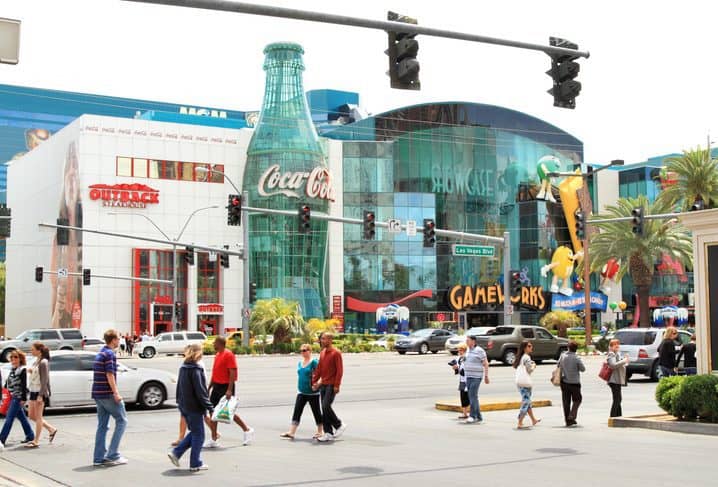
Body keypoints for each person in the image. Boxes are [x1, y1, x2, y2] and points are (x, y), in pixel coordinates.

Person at [168, 344, 214, 472]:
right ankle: (195, 463)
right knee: (199, 435)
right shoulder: (196, 370)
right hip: (194, 407)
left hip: (184, 405)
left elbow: (179, 387)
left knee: (194, 432)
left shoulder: (183, 368)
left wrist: (179, 403)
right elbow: (201, 391)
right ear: (198, 354)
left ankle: (176, 453)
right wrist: (210, 407)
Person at [206, 336, 254, 448]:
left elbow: (232, 372)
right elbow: (214, 372)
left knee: (228, 412)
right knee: (212, 412)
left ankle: (247, 430)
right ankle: (213, 438)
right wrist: (209, 388)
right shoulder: (217, 355)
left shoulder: (229, 355)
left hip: (225, 386)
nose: (213, 345)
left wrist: (229, 389)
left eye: (215, 343)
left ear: (220, 343)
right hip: (216, 386)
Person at [92, 329, 128, 466]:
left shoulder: (100, 352)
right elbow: (110, 374)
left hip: (98, 393)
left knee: (102, 426)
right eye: (118, 338)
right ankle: (113, 454)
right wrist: (116, 393)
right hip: (107, 393)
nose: (119, 341)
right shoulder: (109, 354)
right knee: (122, 421)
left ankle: (98, 458)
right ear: (113, 340)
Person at [280, 344, 323, 440]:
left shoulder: (314, 362)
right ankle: (292, 432)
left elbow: (322, 374)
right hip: (301, 392)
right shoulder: (300, 363)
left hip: (313, 392)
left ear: (310, 351)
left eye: (305, 350)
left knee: (316, 412)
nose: (303, 352)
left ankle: (320, 431)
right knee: (297, 411)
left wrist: (318, 384)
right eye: (301, 350)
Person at [312, 333, 345, 442]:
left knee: (326, 406)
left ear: (330, 340)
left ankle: (339, 425)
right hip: (323, 385)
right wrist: (314, 382)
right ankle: (328, 433)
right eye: (321, 339)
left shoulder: (336, 353)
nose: (321, 341)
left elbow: (339, 371)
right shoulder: (322, 353)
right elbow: (319, 370)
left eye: (324, 339)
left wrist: (337, 385)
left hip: (332, 385)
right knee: (324, 409)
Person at [0, 351, 35, 449]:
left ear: (20, 359)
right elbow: (7, 383)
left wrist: (23, 398)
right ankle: (30, 435)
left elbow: (24, 386)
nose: (13, 360)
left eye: (15, 357)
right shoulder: (12, 369)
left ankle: (1, 439)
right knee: (22, 417)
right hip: (11, 396)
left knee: (9, 419)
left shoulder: (22, 370)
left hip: (17, 397)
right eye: (11, 358)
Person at [26, 342, 57, 448]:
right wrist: (31, 371)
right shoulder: (37, 361)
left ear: (39, 350)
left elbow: (44, 380)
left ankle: (36, 441)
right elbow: (37, 375)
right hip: (33, 390)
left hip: (39, 391)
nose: (31, 351)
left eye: (33, 349)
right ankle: (51, 429)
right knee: (31, 415)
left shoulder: (43, 362)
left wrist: (41, 395)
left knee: (38, 417)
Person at [513, 341, 541, 429]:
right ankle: (520, 422)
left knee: (527, 401)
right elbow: (529, 370)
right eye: (529, 346)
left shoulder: (520, 357)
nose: (531, 347)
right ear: (525, 348)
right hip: (525, 383)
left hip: (519, 382)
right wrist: (534, 366)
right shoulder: (527, 357)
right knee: (526, 402)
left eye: (531, 346)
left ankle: (533, 420)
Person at [463, 335, 490, 424]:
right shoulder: (467, 350)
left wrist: (486, 376)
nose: (466, 342)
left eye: (468, 340)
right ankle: (479, 416)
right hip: (468, 376)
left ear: (473, 341)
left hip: (476, 377)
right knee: (473, 397)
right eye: (466, 340)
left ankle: (472, 416)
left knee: (472, 395)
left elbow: (485, 363)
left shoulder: (479, 350)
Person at [558, 340, 585, 427]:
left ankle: (568, 421)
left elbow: (558, 365)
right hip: (575, 383)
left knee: (566, 402)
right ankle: (572, 415)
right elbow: (583, 369)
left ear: (568, 347)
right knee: (578, 400)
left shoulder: (562, 356)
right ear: (576, 349)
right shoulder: (577, 358)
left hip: (564, 382)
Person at [607, 338, 629, 418]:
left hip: (617, 379)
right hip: (613, 380)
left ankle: (618, 416)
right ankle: (613, 416)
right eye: (615, 345)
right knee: (617, 399)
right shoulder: (611, 354)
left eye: (617, 344)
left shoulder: (617, 353)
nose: (617, 346)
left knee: (618, 399)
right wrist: (624, 361)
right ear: (611, 346)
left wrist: (625, 362)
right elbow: (613, 365)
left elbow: (619, 364)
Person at [449, 343, 469, 420]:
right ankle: (464, 414)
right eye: (459, 350)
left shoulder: (467, 357)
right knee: (463, 397)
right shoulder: (459, 358)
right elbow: (458, 370)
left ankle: (469, 413)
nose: (459, 352)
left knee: (468, 397)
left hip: (468, 380)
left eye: (461, 350)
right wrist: (455, 368)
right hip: (462, 380)